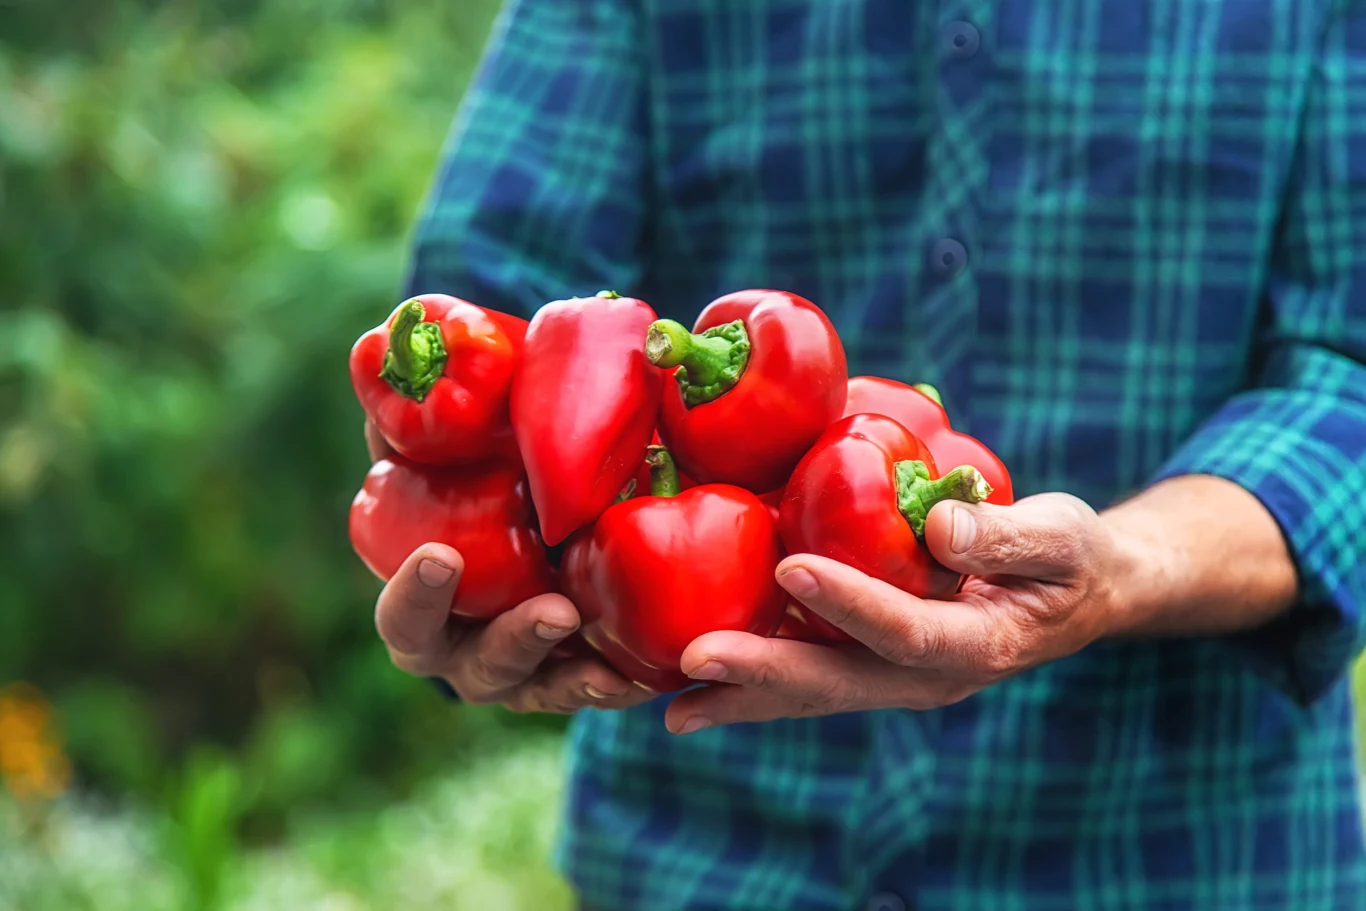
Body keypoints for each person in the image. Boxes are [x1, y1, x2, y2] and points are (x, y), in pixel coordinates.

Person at [367, 1, 1366, 908]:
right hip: (706, 849)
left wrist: (1125, 566)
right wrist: (483, 550)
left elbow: (1349, 370)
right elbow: (492, 323)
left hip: (1177, 852)